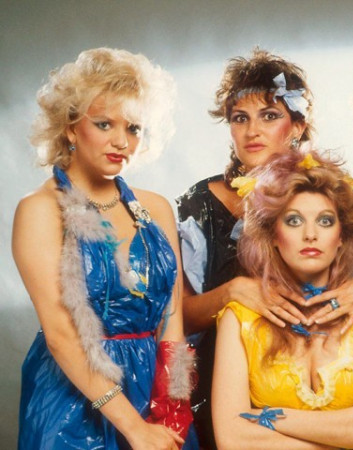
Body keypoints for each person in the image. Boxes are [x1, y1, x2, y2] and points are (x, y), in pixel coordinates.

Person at [177, 49, 353, 449]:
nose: (253, 131)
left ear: (297, 125)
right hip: (223, 386)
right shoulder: (200, 204)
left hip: (329, 377)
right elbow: (176, 319)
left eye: (269, 115)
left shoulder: (339, 200)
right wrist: (232, 292)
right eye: (240, 118)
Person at [13, 48, 198, 449]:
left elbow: (173, 327)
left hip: (154, 394)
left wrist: (174, 408)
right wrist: (134, 429)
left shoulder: (156, 208)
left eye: (133, 128)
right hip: (72, 403)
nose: (121, 141)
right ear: (70, 127)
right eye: (104, 124)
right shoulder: (40, 210)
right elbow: (61, 334)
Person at [212, 150, 353, 449]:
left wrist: (267, 417)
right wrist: (346, 436)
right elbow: (232, 440)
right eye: (294, 220)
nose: (310, 234)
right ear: (273, 235)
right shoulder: (240, 318)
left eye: (325, 221)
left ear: (341, 236)